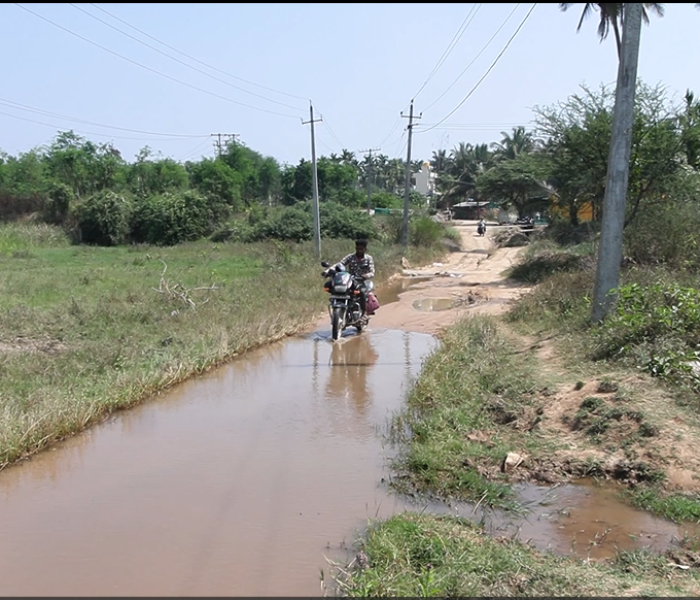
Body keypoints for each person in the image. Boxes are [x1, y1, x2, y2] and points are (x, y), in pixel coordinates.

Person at [340, 238, 375, 315]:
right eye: (357, 248)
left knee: (361, 292)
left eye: (361, 249)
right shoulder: (350, 257)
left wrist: (366, 275)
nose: (359, 250)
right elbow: (340, 264)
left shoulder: (368, 258)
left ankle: (364, 313)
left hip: (362, 281)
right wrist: (329, 271)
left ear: (365, 249)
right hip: (350, 281)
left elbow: (372, 272)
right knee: (340, 290)